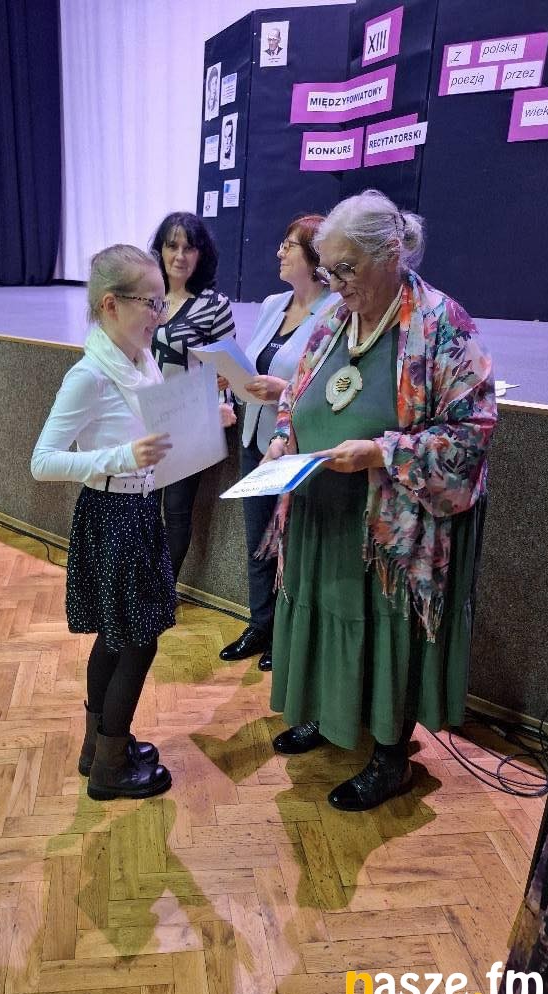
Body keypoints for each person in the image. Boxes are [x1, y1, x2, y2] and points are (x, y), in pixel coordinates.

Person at [262, 189, 496, 811]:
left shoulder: (443, 324)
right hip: (321, 510)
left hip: (390, 529)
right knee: (322, 610)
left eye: (347, 269)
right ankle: (328, 711)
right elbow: (295, 394)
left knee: (386, 629)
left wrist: (380, 454)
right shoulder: (336, 317)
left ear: (392, 252)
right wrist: (284, 437)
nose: (336, 284)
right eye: (328, 270)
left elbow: (471, 434)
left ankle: (391, 755)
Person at [31, 244, 174, 801]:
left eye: (162, 303)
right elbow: (43, 462)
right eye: (150, 304)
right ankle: (111, 769)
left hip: (138, 510)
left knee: (118, 637)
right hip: (112, 514)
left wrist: (202, 420)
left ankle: (99, 747)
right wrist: (120, 458)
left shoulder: (139, 362)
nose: (159, 315)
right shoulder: (89, 374)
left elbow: (146, 432)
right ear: (111, 305)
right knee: (138, 642)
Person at [219, 215, 338, 673]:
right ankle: (260, 624)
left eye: (289, 245)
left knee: (290, 543)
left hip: (297, 444)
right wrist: (234, 380)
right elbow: (255, 366)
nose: (279, 252)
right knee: (257, 540)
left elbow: (330, 386)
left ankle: (287, 634)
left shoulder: (336, 311)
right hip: (256, 437)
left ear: (314, 256)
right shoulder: (272, 304)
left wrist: (283, 390)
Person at [150, 212, 236, 578]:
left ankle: (162, 591)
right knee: (142, 507)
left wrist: (220, 407)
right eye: (172, 246)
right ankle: (141, 585)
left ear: (202, 254)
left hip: (189, 422)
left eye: (189, 248)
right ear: (160, 250)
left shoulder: (214, 305)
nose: (180, 255)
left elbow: (228, 369)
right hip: (145, 418)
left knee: (176, 511)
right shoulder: (146, 297)